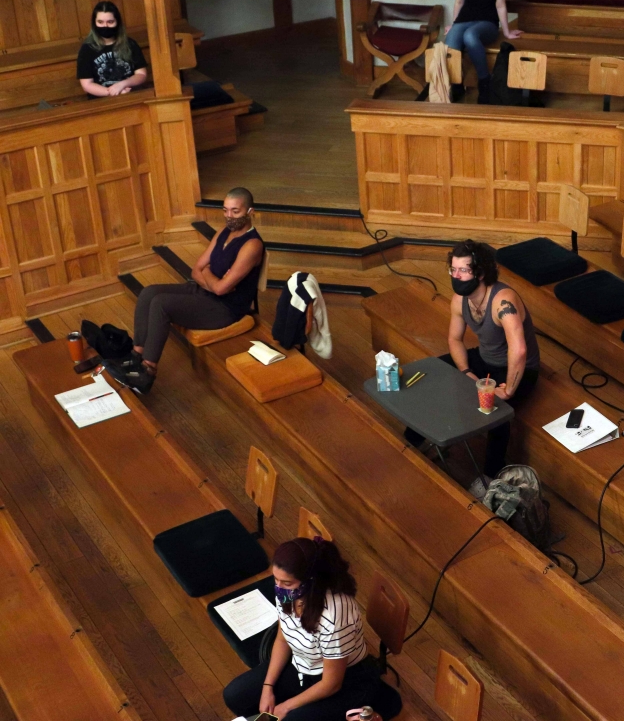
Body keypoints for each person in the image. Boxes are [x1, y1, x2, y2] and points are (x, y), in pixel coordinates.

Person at [407, 240, 540, 497]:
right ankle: (413, 441)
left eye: (463, 271)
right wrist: (467, 372)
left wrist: (508, 390)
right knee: (433, 372)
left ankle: (491, 476)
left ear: (480, 273)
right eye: (453, 270)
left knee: (496, 413)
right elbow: (454, 339)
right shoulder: (460, 300)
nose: (456, 276)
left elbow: (519, 351)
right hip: (484, 359)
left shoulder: (503, 301)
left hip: (519, 368)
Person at [223, 537, 391, 720]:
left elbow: (331, 684)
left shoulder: (334, 615)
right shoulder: (288, 594)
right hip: (304, 668)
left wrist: (287, 706)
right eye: (276, 580)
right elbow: (282, 638)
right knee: (234, 695)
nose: (278, 588)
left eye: (286, 583)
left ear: (311, 581)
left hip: (345, 681)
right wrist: (267, 687)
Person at [116, 188, 264, 394]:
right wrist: (213, 279)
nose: (229, 216)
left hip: (224, 308)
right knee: (149, 292)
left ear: (250, 211)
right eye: (225, 210)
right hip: (203, 292)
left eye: (235, 211)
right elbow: (196, 270)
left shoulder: (252, 245)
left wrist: (210, 273)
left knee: (161, 304)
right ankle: (136, 355)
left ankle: (147, 372)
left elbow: (221, 291)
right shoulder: (223, 232)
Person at [445, 0, 521, 104]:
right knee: (450, 43)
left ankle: (484, 82)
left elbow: (500, 5)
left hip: (487, 22)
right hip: (465, 19)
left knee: (470, 36)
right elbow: (459, 1)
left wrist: (507, 31)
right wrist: (453, 24)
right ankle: (456, 84)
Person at [76, 1, 148, 98]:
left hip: (131, 95)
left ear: (117, 22)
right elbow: (87, 85)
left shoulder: (130, 44)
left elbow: (141, 74)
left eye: (110, 22)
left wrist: (122, 84)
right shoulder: (87, 49)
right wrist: (113, 92)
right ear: (94, 23)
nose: (105, 26)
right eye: (100, 22)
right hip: (102, 101)